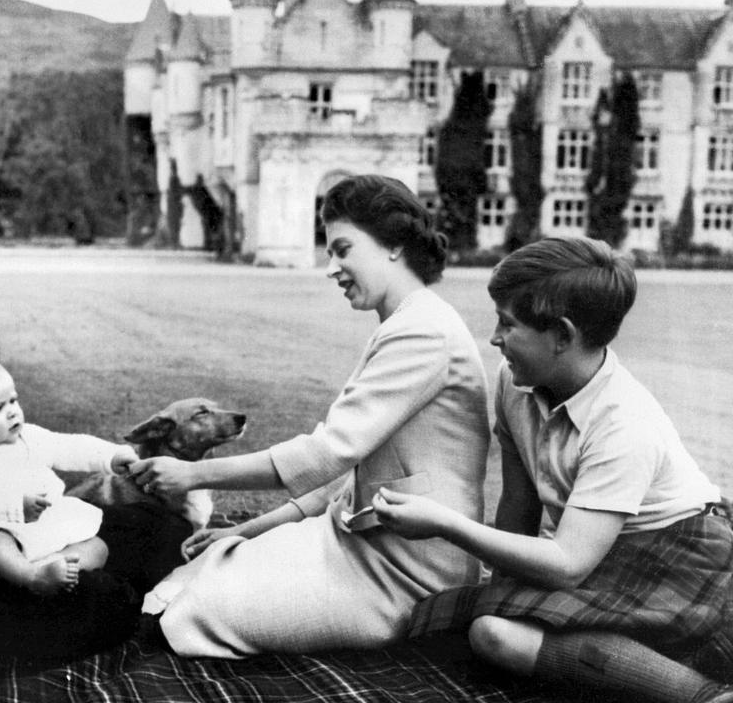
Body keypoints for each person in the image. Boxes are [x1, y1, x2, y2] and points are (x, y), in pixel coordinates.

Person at [129, 174, 491, 657]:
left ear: (395, 245)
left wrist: (193, 474)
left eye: (343, 250)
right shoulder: (405, 322)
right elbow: (340, 477)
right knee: (203, 567)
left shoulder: (423, 333)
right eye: (329, 253)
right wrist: (246, 529)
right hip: (356, 544)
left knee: (188, 615)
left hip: (408, 575)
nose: (332, 268)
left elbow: (325, 455)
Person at [383, 237, 733, 703]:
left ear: (563, 336)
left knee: (492, 632)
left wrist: (445, 524)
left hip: (682, 553)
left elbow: (567, 565)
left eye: (508, 324)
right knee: (458, 622)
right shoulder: (515, 382)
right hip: (599, 548)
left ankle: (701, 694)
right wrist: (506, 589)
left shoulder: (625, 424)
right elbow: (518, 502)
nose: (494, 338)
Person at [0, 356, 137, 595]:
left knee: (97, 547)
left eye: (13, 401)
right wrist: (15, 507)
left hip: (39, 527)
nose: (12, 413)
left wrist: (110, 456)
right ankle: (32, 578)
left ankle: (57, 567)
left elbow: (68, 446)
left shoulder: (29, 437)